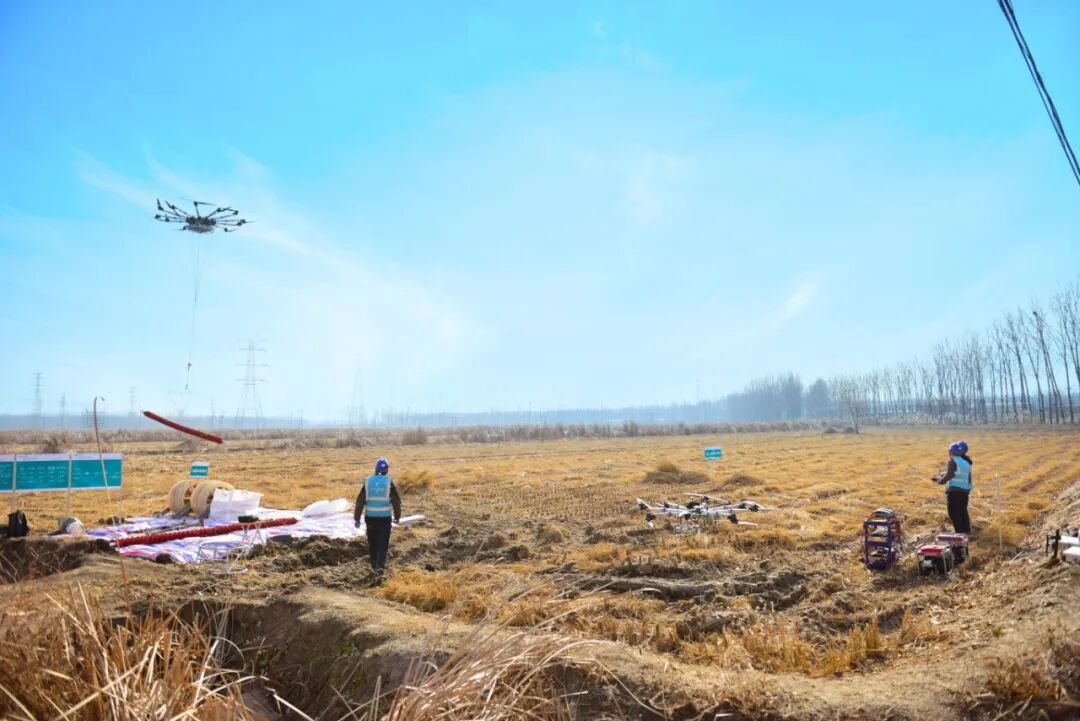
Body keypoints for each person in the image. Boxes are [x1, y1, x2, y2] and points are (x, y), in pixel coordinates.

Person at [354, 457, 402, 584]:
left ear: (375, 469)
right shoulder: (388, 482)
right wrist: (397, 516)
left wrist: (357, 519)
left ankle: (374, 566)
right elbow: (396, 501)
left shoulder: (368, 481)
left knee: (373, 544)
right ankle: (379, 571)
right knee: (382, 545)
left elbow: (360, 501)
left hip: (370, 519)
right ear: (387, 470)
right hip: (384, 519)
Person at [932, 441, 972, 534]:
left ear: (952, 452)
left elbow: (950, 475)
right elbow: (961, 475)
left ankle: (959, 533)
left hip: (955, 492)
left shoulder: (953, 461)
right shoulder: (965, 462)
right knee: (962, 511)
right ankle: (966, 531)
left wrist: (940, 481)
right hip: (965, 492)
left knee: (954, 513)